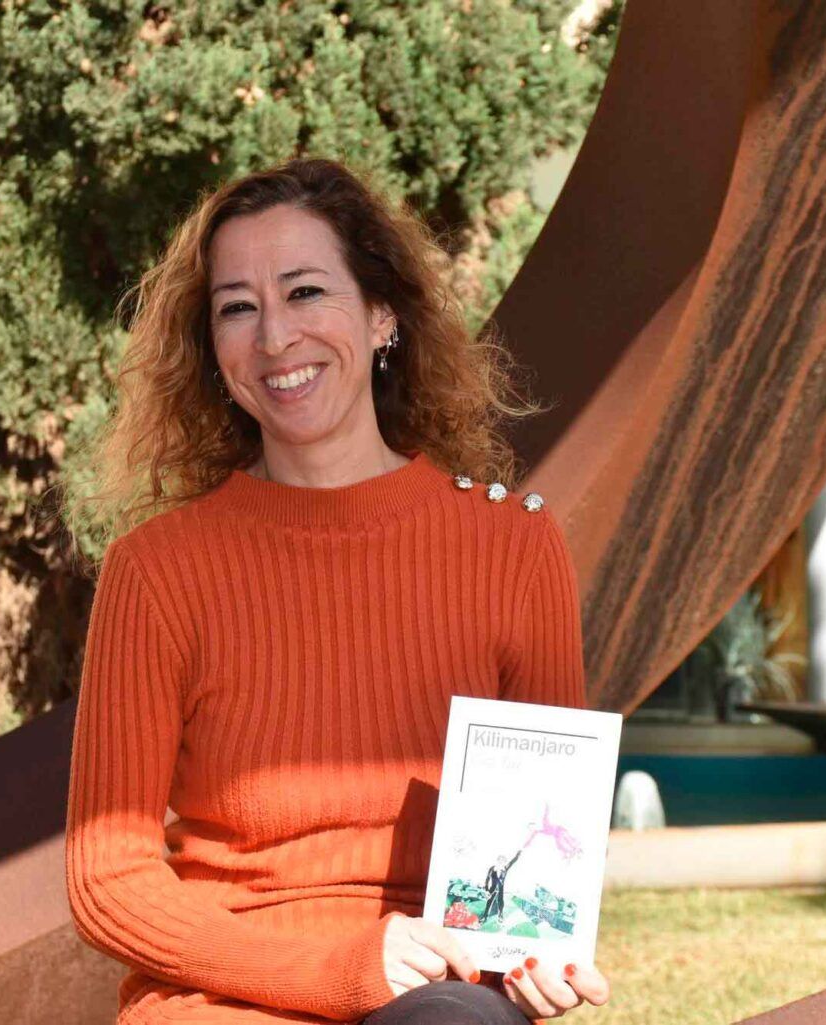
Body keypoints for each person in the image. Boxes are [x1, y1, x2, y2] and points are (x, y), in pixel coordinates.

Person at [64, 157, 611, 1025]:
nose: (275, 336)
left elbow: (540, 852)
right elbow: (107, 880)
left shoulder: (513, 548)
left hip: (437, 995)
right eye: (237, 307)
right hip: (226, 999)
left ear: (382, 313)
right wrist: (330, 969)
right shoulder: (158, 570)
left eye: (306, 292)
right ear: (212, 350)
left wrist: (531, 960)